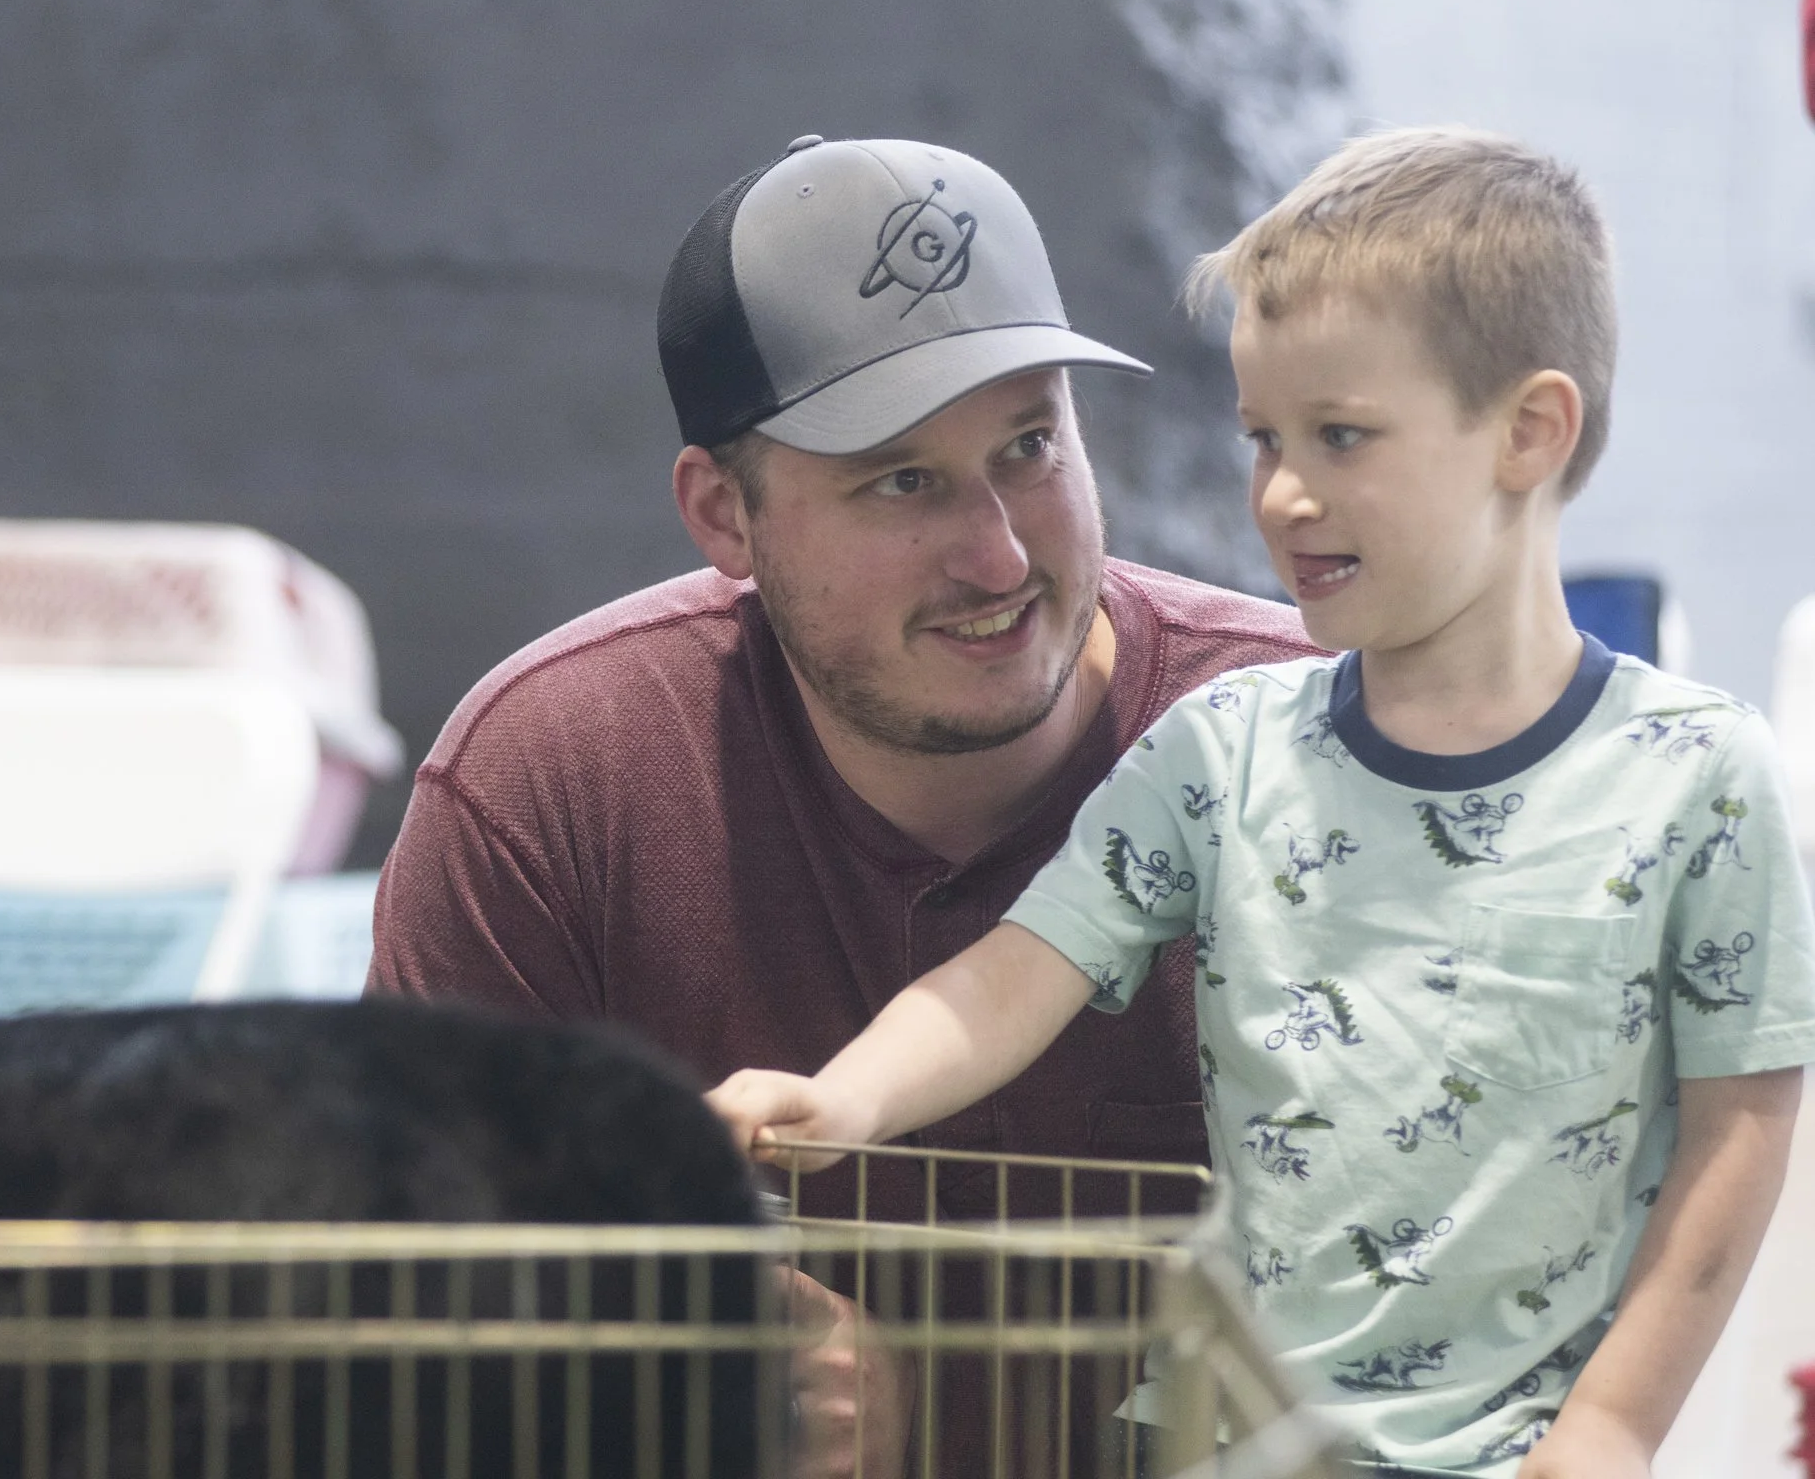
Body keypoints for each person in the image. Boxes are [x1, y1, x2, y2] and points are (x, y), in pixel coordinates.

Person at [706, 127, 1815, 1478]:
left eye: (1340, 436)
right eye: (1262, 439)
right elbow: (1010, 977)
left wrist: (1613, 1427)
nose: (1283, 495)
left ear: (1529, 431)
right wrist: (844, 1098)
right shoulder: (1219, 751)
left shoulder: (1702, 777)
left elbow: (1740, 1131)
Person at [368, 135, 1314, 1213]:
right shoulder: (552, 786)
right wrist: (722, 1310)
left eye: (1028, 447)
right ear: (723, 514)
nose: (999, 557)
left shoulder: (1323, 734)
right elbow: (407, 1258)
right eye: (901, 480)